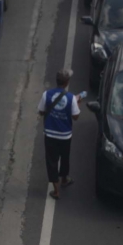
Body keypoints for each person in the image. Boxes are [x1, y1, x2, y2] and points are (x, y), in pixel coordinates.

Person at [38, 69, 82, 199]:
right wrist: (78, 104)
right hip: (65, 136)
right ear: (67, 82)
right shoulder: (71, 98)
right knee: (65, 158)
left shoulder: (46, 95)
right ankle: (64, 179)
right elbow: (76, 117)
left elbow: (40, 111)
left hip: (50, 135)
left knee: (51, 161)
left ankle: (56, 190)